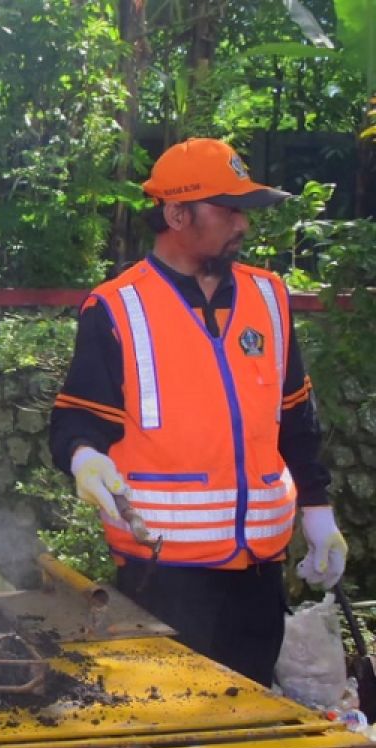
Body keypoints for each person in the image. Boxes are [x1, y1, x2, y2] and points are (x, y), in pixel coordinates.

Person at [49, 137, 348, 696]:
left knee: (242, 735)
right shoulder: (118, 307)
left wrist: (317, 510)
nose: (243, 225)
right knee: (163, 745)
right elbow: (75, 421)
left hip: (259, 576)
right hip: (161, 578)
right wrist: (85, 459)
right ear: (176, 213)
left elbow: (295, 419)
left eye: (246, 210)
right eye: (229, 209)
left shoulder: (270, 298)